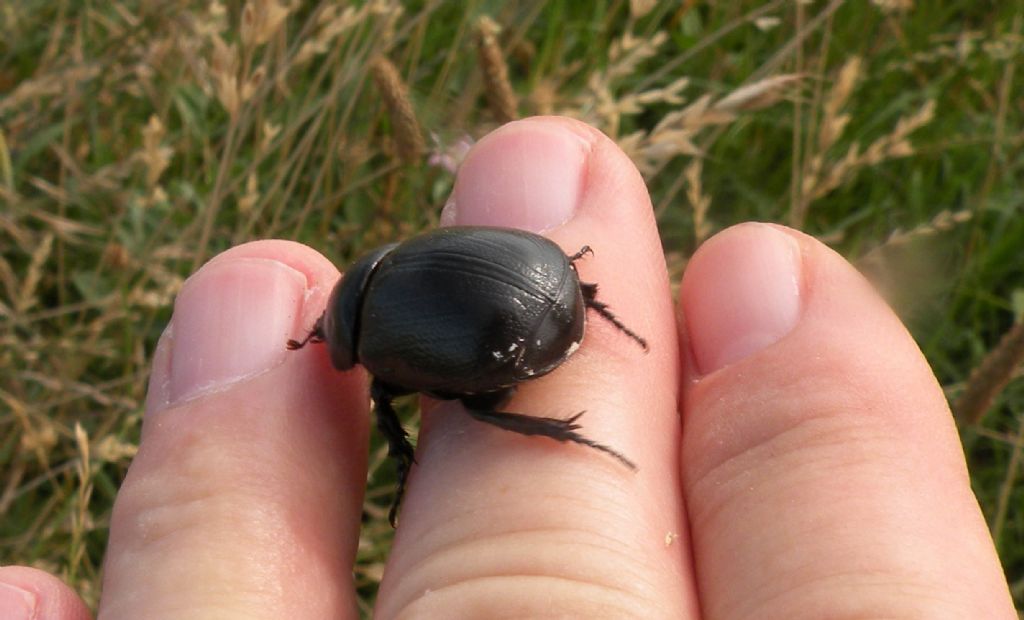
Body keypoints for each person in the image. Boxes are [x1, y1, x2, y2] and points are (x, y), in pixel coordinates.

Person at [1, 117, 1014, 619]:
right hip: (543, 290)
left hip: (517, 323)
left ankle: (566, 429)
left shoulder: (374, 351)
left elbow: (401, 403)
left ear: (345, 338)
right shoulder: (391, 270)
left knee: (470, 422)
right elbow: (525, 270)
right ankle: (583, 380)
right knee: (482, 396)